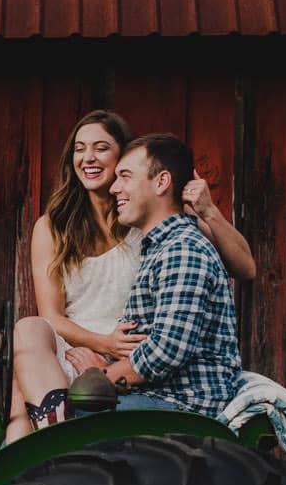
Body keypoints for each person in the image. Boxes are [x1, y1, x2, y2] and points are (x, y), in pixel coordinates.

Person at [7, 112, 254, 440]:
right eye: (79, 149)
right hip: (87, 349)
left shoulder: (159, 226)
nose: (88, 157)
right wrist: (101, 346)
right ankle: (39, 442)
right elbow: (51, 316)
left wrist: (207, 209)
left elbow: (245, 269)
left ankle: (46, 449)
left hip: (130, 359)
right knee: (27, 338)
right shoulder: (54, 226)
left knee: (27, 396)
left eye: (101, 148)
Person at [99, 132, 243, 415]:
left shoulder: (182, 250)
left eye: (125, 176)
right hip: (156, 397)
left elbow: (166, 353)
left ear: (162, 182)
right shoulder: (161, 247)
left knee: (56, 425)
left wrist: (100, 377)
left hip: (179, 406)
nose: (114, 188)